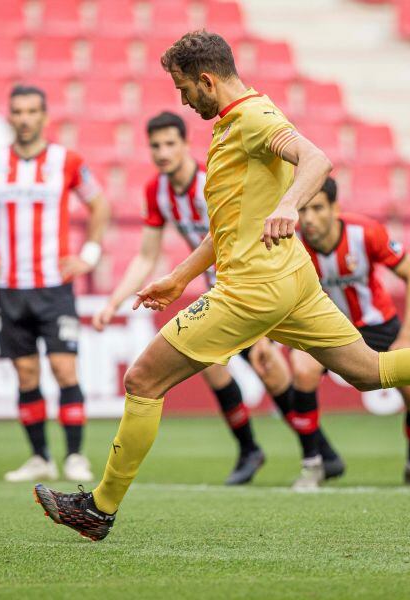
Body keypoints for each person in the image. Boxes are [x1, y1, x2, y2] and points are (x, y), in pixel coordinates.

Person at [34, 31, 410, 541]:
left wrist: (290, 204)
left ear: (207, 80)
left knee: (142, 382)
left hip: (251, 290)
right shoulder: (235, 123)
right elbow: (231, 227)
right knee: (370, 370)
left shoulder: (255, 118)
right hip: (293, 280)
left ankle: (99, 509)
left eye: (183, 89)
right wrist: (180, 277)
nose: (183, 99)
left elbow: (316, 159)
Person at [93, 111, 269, 485]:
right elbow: (146, 255)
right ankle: (253, 450)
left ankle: (317, 452)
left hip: (252, 282)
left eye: (170, 143)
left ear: (187, 144)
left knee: (276, 370)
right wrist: (115, 300)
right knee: (212, 366)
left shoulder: (212, 182)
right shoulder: (156, 190)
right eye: (155, 145)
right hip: (220, 290)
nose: (162, 152)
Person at [251, 177, 410, 489]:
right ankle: (312, 465)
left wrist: (407, 336)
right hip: (322, 328)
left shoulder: (366, 232)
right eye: (302, 209)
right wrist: (264, 339)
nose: (308, 218)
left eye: (317, 208)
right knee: (303, 368)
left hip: (378, 327)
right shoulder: (290, 243)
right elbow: (274, 294)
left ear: (335, 208)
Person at [0, 84, 111, 483]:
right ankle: (39, 458)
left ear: (44, 117)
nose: (25, 118)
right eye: (18, 111)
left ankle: (76, 456)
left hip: (54, 286)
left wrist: (89, 255)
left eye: (32, 111)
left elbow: (99, 204)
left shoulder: (67, 161)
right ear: (9, 116)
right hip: (11, 287)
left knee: (64, 369)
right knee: (26, 374)